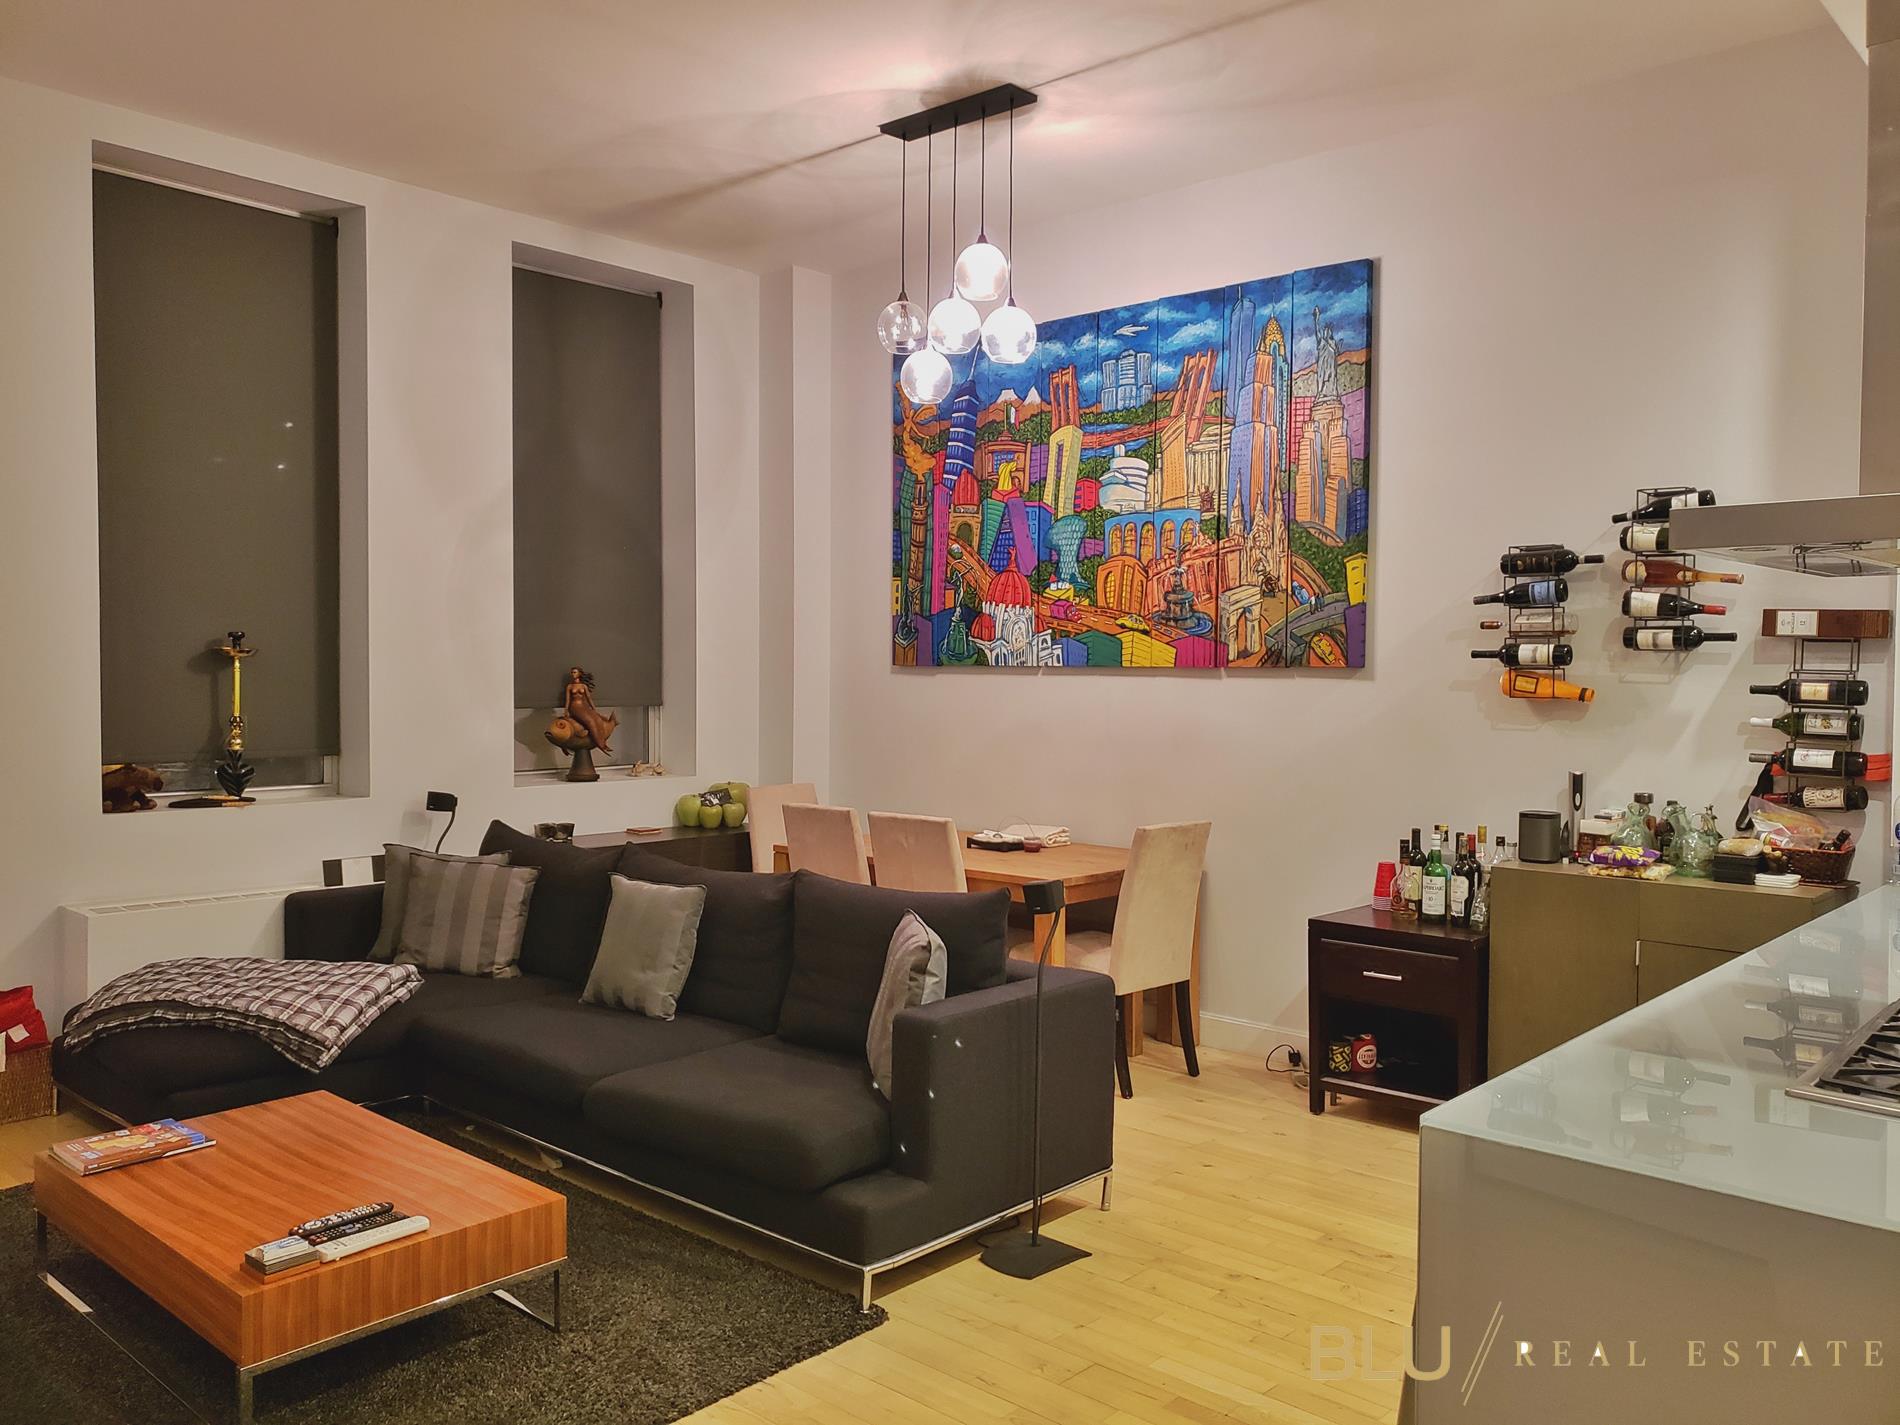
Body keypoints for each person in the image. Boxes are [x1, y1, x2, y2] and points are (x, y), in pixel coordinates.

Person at [562, 667, 615, 754]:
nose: (573, 674)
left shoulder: (584, 686)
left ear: (579, 674)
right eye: (572, 672)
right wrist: (566, 710)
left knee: (597, 719)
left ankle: (602, 741)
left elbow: (589, 698)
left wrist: (593, 709)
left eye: (574, 672)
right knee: (590, 721)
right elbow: (568, 699)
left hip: (583, 706)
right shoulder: (570, 686)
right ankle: (600, 744)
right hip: (574, 707)